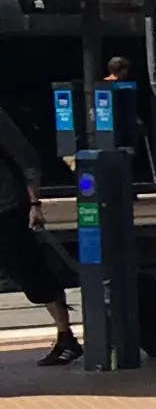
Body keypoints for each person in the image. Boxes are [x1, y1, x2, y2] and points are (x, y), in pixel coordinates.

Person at [0, 107, 78, 366]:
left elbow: (27, 159)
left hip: (7, 208)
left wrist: (34, 204)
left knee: (32, 274)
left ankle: (66, 336)